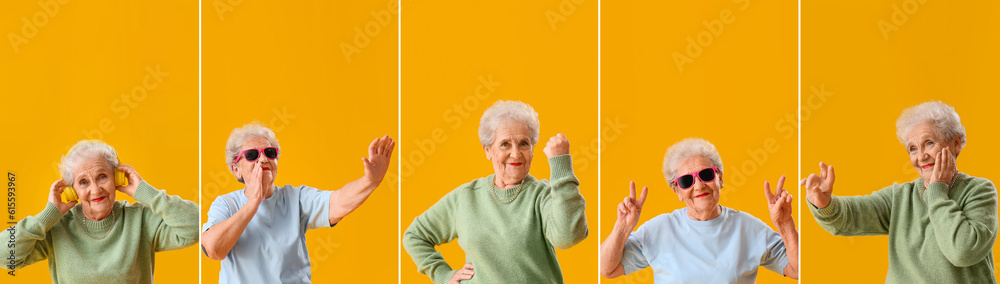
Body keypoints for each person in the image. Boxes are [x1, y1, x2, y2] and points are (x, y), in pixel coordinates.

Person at [805, 101, 997, 283]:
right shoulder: (901, 196)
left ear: (956, 143)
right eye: (913, 149)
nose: (921, 156)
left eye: (929, 143)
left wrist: (937, 192)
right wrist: (824, 203)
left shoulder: (979, 191)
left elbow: (962, 252)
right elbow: (849, 218)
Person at [403, 100, 588, 283]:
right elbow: (415, 236)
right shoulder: (466, 197)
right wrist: (444, 275)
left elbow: (568, 237)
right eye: (505, 144)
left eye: (524, 143)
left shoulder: (543, 195)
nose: (515, 154)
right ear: (487, 150)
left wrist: (561, 165)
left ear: (533, 149)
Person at [201, 122, 394, 283]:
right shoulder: (225, 204)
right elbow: (214, 249)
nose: (263, 159)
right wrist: (253, 203)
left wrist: (370, 181)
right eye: (252, 155)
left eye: (270, 152)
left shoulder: (295, 198)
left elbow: (337, 202)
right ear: (236, 169)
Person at [600, 138, 799, 283]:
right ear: (677, 191)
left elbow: (798, 270)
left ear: (720, 178)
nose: (698, 185)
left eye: (706, 174)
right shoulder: (660, 229)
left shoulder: (749, 228)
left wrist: (786, 225)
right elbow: (607, 269)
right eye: (686, 180)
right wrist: (622, 228)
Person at [2, 139, 199, 283]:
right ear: (72, 191)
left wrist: (148, 194)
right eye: (83, 182)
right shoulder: (57, 227)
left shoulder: (140, 220)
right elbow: (5, 256)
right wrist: (46, 217)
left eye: (102, 176)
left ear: (117, 179)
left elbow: (196, 226)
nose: (95, 190)